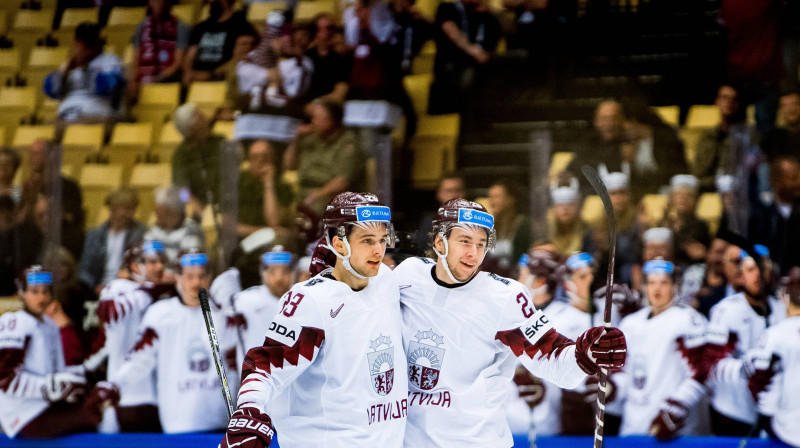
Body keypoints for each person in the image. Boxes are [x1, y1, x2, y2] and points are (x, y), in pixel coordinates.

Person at [393, 198, 627, 447]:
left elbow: (551, 356)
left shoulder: (504, 298)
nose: (474, 253)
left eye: (481, 244)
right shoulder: (408, 276)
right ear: (440, 242)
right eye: (464, 241)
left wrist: (586, 354)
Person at [219, 192, 407, 448]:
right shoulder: (311, 300)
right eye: (367, 240)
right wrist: (249, 414)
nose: (378, 250)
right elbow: (266, 367)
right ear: (340, 244)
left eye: (382, 240)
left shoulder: (386, 281)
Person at [112, 250, 237, 434]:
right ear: (177, 278)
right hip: (179, 423)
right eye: (189, 277)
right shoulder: (160, 314)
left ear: (209, 278)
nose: (196, 283)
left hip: (222, 421)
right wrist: (115, 386)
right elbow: (140, 360)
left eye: (202, 276)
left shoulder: (225, 314)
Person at [0, 266, 118, 438]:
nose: (42, 297)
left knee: (101, 399)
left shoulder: (49, 325)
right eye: (34, 292)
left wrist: (85, 372)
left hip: (45, 406)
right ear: (21, 293)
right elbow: (5, 378)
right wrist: (51, 387)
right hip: (23, 414)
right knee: (94, 413)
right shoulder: (15, 323)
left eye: (45, 292)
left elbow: (58, 372)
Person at [611, 259, 710, 439]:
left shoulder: (688, 320)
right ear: (644, 286)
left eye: (664, 283)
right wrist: (612, 388)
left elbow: (701, 371)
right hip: (633, 425)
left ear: (674, 286)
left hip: (673, 430)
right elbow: (624, 372)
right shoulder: (630, 323)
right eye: (651, 283)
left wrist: (676, 407)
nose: (657, 289)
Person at [96, 240, 175, 433]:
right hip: (130, 396)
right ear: (134, 266)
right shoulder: (118, 287)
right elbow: (109, 313)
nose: (160, 267)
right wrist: (149, 291)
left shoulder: (166, 293)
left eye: (161, 262)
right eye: (152, 262)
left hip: (162, 395)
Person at [706, 249, 786, 435]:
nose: (757, 275)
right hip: (733, 414)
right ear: (740, 276)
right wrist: (744, 367)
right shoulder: (725, 311)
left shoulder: (781, 310)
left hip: (772, 414)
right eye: (750, 269)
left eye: (762, 269)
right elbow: (710, 366)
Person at [747, 267, 800, 447]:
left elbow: (762, 378)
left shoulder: (776, 334)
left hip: (786, 431)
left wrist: (765, 414)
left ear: (785, 296)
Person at [284, 100, 365, 216]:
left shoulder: (347, 143)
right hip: (301, 192)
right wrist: (295, 140)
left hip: (327, 195)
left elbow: (341, 182)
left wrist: (317, 194)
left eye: (315, 118)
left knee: (313, 209)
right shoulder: (311, 139)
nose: (312, 122)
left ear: (330, 120)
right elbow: (289, 165)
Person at [228, 247, 295, 375]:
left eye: (285, 271)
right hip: (255, 385)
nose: (278, 278)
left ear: (293, 272)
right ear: (262, 272)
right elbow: (220, 337)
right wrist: (221, 306)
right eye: (272, 271)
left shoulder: (303, 301)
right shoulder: (245, 301)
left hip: (292, 386)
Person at [44, 22, 124, 126]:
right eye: (82, 43)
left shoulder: (109, 60)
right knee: (40, 132)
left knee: (70, 128)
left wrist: (85, 70)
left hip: (96, 117)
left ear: (98, 41)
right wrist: (69, 68)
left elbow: (114, 86)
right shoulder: (68, 66)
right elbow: (49, 89)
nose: (85, 48)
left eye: (89, 44)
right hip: (67, 116)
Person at [428, 0, 501, 114]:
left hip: (475, 65)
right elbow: (450, 29)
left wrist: (489, 14)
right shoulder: (447, 8)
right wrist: (472, 50)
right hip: (450, 64)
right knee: (454, 74)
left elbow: (487, 51)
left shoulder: (488, 18)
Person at [18, 139, 85, 261]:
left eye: (37, 153)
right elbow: (20, 220)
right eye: (31, 153)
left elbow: (72, 217)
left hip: (61, 239)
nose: (32, 157)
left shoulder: (68, 186)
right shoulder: (28, 186)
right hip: (32, 241)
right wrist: (30, 199)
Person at [691, 85, 759, 193]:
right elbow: (699, 171)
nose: (729, 102)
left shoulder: (749, 133)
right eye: (725, 97)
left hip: (737, 188)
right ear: (717, 102)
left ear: (738, 104)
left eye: (734, 99)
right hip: (709, 187)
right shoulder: (708, 135)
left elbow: (744, 171)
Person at [79, 187, 146, 293]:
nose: (131, 214)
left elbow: (141, 266)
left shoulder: (140, 233)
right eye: (127, 209)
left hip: (128, 287)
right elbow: (86, 269)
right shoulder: (94, 235)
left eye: (133, 209)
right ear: (113, 208)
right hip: (100, 287)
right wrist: (94, 287)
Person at [128, 0, 191, 100]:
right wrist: (134, 80)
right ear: (150, 2)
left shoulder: (181, 27)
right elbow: (136, 58)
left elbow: (178, 62)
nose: (160, 3)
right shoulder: (142, 27)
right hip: (143, 80)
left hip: (166, 80)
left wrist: (155, 80)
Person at [182, 0, 257, 85]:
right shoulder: (201, 27)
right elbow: (190, 56)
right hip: (195, 78)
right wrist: (188, 72)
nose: (210, 1)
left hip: (223, 78)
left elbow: (239, 59)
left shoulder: (241, 25)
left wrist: (211, 74)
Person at [748, 155, 800, 274]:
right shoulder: (761, 211)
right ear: (777, 181)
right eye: (793, 178)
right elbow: (755, 247)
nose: (798, 182)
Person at [171, 103, 225, 216]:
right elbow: (181, 190)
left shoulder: (220, 142)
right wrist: (199, 210)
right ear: (192, 128)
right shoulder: (181, 154)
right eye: (199, 115)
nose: (205, 117)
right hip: (201, 211)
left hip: (227, 207)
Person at [237, 140, 295, 237]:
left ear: (272, 160)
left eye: (265, 157)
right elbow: (228, 226)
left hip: (268, 240)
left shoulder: (282, 186)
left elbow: (274, 222)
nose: (260, 160)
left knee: (281, 239)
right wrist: (261, 231)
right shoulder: (238, 183)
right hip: (240, 239)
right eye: (255, 157)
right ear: (249, 161)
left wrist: (268, 184)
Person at [483, 179, 532, 277]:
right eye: (490, 197)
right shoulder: (488, 225)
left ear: (510, 199)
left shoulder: (522, 224)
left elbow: (524, 258)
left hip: (514, 279)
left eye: (497, 197)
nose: (492, 201)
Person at [659, 175, 710, 269]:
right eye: (679, 195)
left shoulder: (700, 226)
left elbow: (693, 251)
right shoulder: (663, 223)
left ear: (696, 201)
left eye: (688, 196)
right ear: (671, 198)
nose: (683, 199)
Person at [144, 186, 205, 264]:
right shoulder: (153, 231)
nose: (155, 212)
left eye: (159, 209)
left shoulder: (191, 231)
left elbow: (190, 265)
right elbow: (148, 259)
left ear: (172, 212)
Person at [415, 171, 466, 254]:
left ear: (464, 193)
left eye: (458, 190)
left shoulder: (475, 221)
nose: (454, 195)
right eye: (449, 191)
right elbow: (422, 249)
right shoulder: (429, 221)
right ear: (439, 194)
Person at [306, 13, 352, 102]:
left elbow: (340, 93)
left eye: (330, 29)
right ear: (315, 33)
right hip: (306, 105)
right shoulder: (308, 56)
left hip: (330, 106)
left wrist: (317, 103)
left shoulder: (343, 58)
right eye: (321, 30)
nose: (326, 34)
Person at [547, 178, 592, 256]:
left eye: (570, 205)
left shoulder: (588, 234)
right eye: (560, 205)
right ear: (554, 208)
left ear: (578, 208)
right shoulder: (545, 233)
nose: (565, 209)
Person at [761, 91, 800, 160]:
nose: (791, 109)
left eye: (795, 104)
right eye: (785, 105)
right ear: (780, 110)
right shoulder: (772, 138)